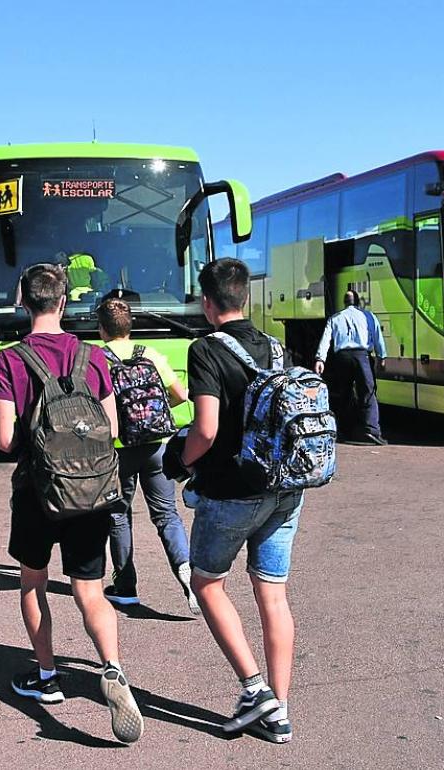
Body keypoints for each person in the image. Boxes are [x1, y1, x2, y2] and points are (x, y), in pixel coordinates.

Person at [0, 263, 144, 744]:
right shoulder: (93, 357)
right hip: (92, 493)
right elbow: (114, 431)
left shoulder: (10, 360)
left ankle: (48, 677)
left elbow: (8, 439)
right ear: (64, 301)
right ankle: (113, 669)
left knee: (33, 583)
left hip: (37, 492)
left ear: (22, 299)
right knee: (90, 591)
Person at [179, 257, 299, 743]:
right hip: (286, 488)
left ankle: (254, 688)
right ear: (245, 296)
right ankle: (281, 711)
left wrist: (182, 460)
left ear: (208, 303)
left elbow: (205, 429)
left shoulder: (205, 350)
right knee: (272, 593)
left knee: (207, 584)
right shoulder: (277, 348)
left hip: (232, 492)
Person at [95, 297, 199, 614]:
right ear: (131, 327)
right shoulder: (150, 354)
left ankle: (125, 587)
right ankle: (186, 570)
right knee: (167, 514)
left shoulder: (97, 359)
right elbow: (182, 395)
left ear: (101, 329)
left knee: (118, 516)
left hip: (119, 450)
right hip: (158, 445)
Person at [314, 290, 386, 445]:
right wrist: (382, 356)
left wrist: (320, 359)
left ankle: (344, 431)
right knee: (368, 392)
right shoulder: (368, 316)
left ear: (344, 302)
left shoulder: (335, 318)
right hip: (362, 357)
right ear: (358, 302)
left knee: (344, 393)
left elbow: (326, 339)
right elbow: (377, 336)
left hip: (342, 358)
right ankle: (371, 430)